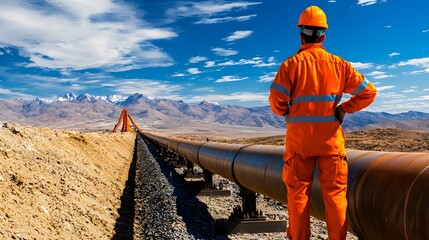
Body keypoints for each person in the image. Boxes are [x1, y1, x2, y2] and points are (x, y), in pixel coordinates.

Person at [269, 5, 377, 240]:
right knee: (336, 198)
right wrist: (344, 108)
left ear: (301, 34)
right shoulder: (340, 65)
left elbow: (277, 104)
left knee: (298, 196)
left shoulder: (290, 66)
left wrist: (288, 110)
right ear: (323, 36)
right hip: (331, 144)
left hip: (299, 145)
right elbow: (369, 92)